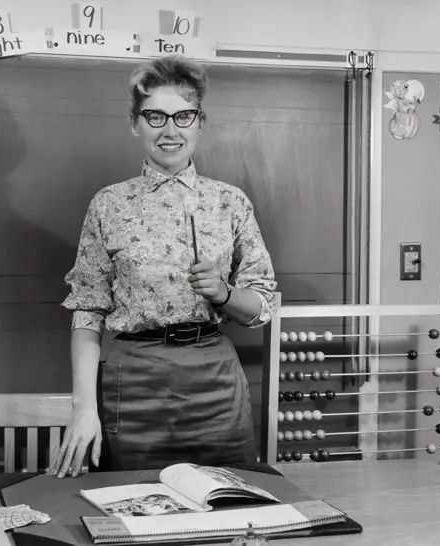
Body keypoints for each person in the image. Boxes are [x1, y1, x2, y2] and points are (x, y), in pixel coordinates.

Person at [49, 55, 277, 478]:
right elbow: (87, 310)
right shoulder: (109, 204)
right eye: (155, 116)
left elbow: (261, 308)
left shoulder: (229, 203)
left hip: (215, 381)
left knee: (230, 503)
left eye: (183, 116)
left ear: (200, 123)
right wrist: (84, 409)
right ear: (135, 124)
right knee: (133, 505)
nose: (170, 130)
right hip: (135, 381)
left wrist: (224, 293)